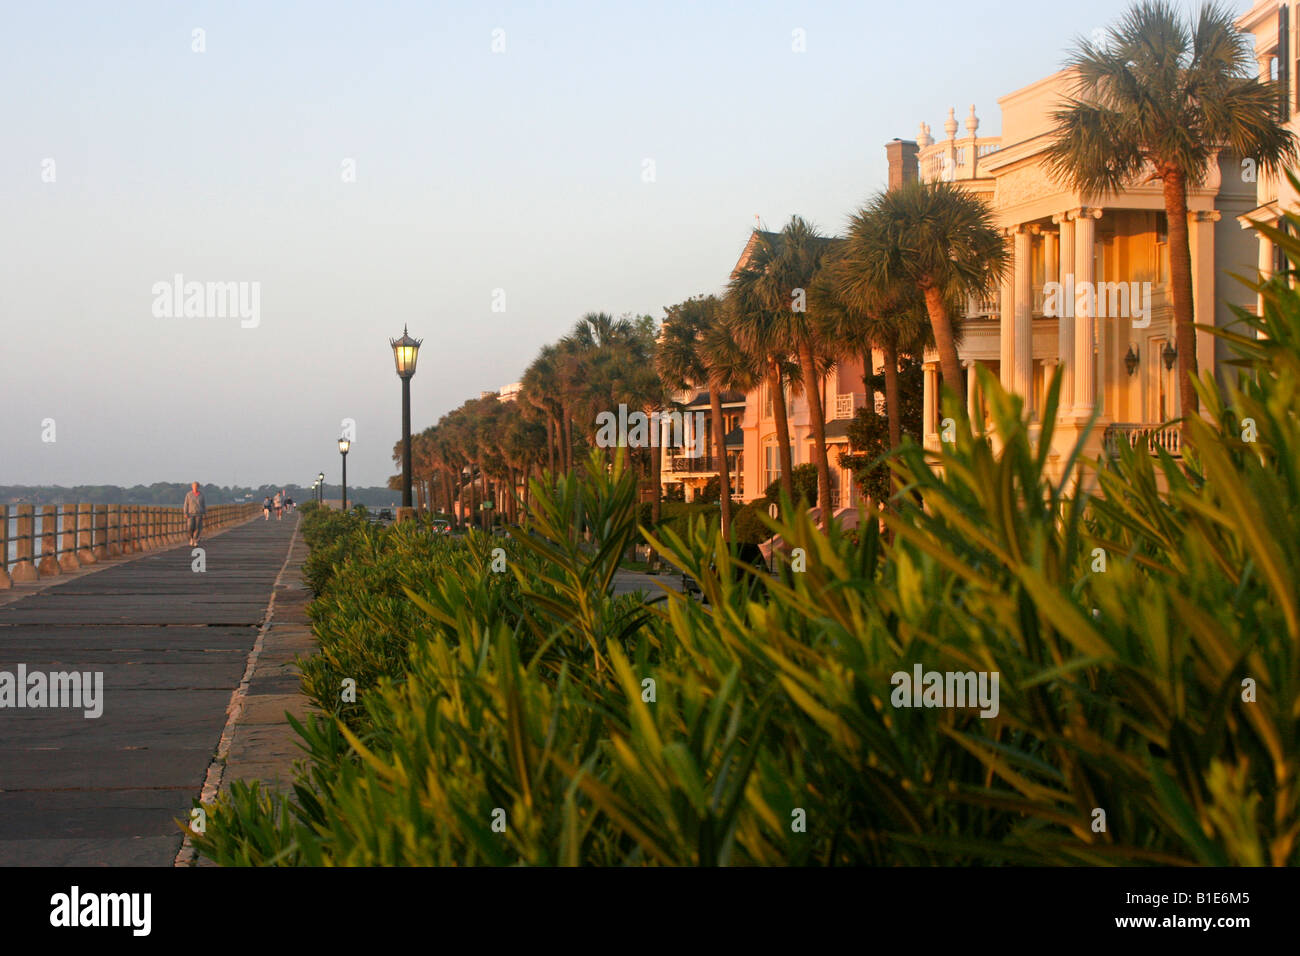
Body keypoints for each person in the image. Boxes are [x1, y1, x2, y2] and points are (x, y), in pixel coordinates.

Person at [183, 481, 206, 547]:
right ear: (192, 487)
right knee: (190, 527)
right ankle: (191, 538)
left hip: (199, 513)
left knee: (197, 528)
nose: (195, 487)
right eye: (194, 486)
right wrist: (185, 512)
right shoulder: (189, 494)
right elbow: (186, 504)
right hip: (190, 513)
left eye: (196, 486)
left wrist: (204, 512)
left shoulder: (201, 495)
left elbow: (203, 504)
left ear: (198, 487)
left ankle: (195, 540)